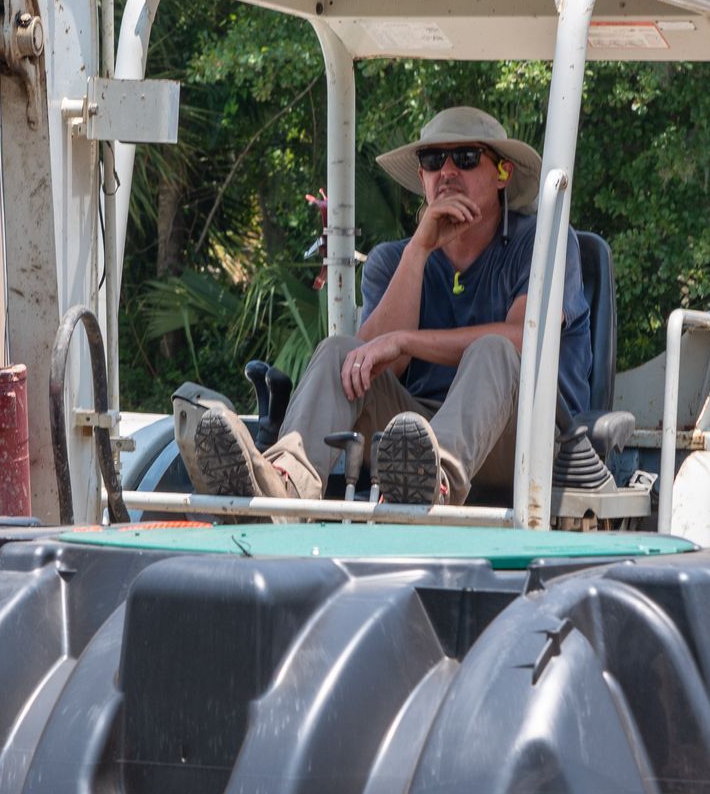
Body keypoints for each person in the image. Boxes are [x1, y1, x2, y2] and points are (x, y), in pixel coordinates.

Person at [175, 106, 593, 511]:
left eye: (466, 158)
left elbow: (526, 339)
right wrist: (419, 250)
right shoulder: (392, 260)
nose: (447, 171)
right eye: (433, 160)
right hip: (409, 442)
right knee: (342, 350)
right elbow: (371, 366)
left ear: (502, 173)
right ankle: (285, 485)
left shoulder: (543, 243)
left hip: (527, 440)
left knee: (493, 349)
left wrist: (405, 340)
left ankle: (435, 481)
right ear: (422, 177)